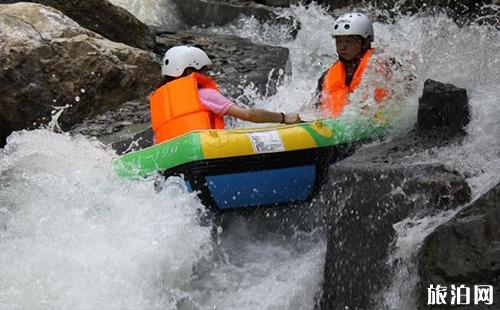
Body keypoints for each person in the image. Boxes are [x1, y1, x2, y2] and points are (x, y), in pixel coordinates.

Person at [150, 45, 302, 144]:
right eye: (204, 70)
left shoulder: (160, 104)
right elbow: (249, 115)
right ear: (190, 72)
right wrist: (284, 118)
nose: (207, 74)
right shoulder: (204, 95)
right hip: (205, 158)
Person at [316, 13, 391, 117]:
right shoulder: (325, 77)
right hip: (337, 126)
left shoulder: (383, 65)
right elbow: (312, 111)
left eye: (348, 41)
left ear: (364, 42)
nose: (342, 47)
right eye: (339, 41)